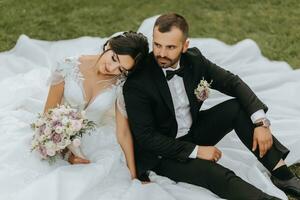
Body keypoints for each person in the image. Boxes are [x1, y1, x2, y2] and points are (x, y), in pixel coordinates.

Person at [123, 13, 300, 199]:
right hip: (163, 153)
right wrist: (197, 151)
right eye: (157, 45)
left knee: (237, 109)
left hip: (193, 131)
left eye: (170, 47)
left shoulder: (194, 60)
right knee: (215, 173)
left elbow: (232, 82)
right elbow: (147, 138)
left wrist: (261, 123)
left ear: (185, 46)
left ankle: (283, 176)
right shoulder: (137, 82)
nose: (161, 53)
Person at [44, 31, 149, 179]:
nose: (112, 69)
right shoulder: (67, 66)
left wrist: (133, 175)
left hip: (96, 141)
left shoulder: (120, 85)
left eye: (121, 69)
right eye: (114, 58)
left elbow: (123, 132)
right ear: (109, 45)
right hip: (59, 132)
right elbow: (48, 115)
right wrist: (67, 154)